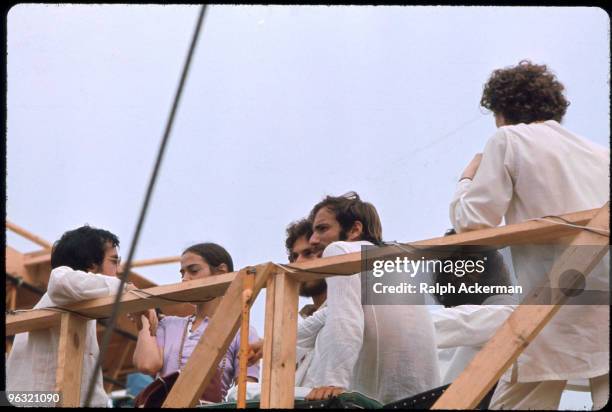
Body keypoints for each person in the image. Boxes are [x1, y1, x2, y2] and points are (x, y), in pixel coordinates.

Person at [449, 60, 609, 409]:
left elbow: (473, 222)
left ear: (501, 109)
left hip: (549, 310)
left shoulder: (509, 139)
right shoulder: (602, 155)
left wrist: (466, 179)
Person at [304, 191, 440, 404]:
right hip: (424, 396)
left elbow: (346, 319)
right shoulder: (395, 264)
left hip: (380, 400)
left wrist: (331, 382)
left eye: (322, 229)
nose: (313, 240)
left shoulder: (340, 250)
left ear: (355, 229)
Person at [6, 225, 133, 407]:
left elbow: (86, 386)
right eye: (114, 261)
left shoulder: (75, 305)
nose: (118, 271)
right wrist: (126, 290)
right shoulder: (61, 291)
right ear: (91, 264)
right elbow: (59, 280)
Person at [130, 242, 260, 402]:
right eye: (182, 273)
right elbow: (147, 365)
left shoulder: (240, 330)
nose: (185, 279)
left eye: (193, 271)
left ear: (221, 271)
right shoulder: (169, 324)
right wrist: (144, 314)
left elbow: (247, 389)